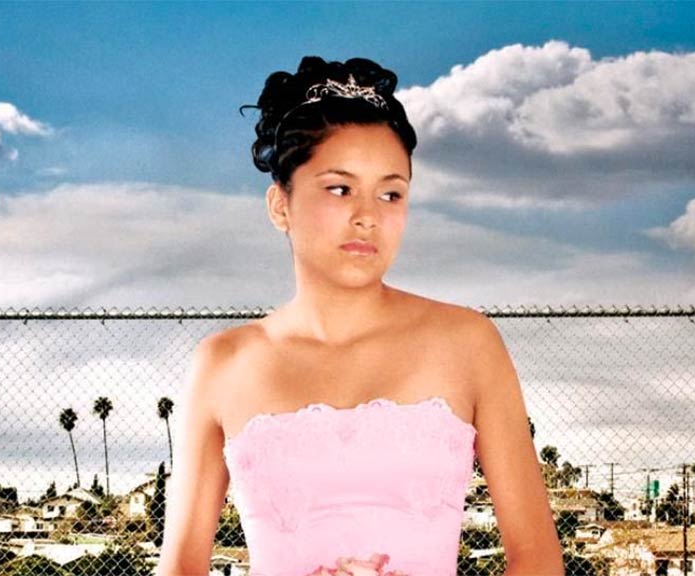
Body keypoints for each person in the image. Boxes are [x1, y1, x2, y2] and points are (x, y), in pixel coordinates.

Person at [156, 55, 563, 576]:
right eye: (340, 188)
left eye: (390, 193)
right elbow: (180, 568)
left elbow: (538, 560)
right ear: (281, 204)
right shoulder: (224, 363)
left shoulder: (468, 342)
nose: (368, 216)